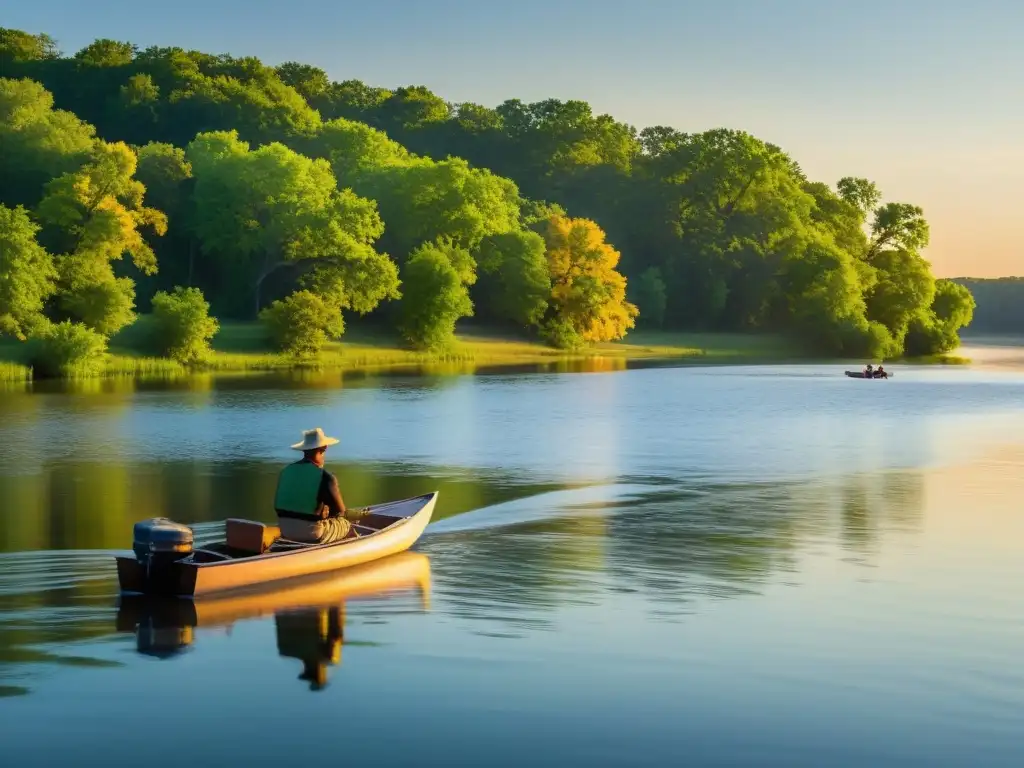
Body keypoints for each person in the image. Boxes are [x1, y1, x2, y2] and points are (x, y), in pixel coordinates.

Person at [273, 427, 365, 544]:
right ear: (324, 448)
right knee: (345, 523)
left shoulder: (286, 471)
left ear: (304, 450)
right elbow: (341, 512)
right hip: (312, 535)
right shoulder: (325, 477)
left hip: (285, 530)